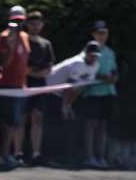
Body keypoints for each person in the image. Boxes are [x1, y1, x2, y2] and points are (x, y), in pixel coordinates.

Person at [80, 20, 119, 168]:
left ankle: (101, 157)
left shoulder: (110, 52)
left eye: (104, 33)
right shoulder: (87, 50)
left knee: (103, 125)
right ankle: (89, 157)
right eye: (99, 33)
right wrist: (102, 78)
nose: (102, 36)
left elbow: (114, 70)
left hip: (108, 92)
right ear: (93, 35)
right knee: (91, 125)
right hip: (92, 92)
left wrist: (113, 78)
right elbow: (84, 73)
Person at [0, 7, 30, 171]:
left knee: (17, 121)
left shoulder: (25, 36)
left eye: (20, 21)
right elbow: (5, 63)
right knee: (8, 121)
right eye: (14, 21)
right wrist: (10, 45)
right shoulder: (4, 37)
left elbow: (24, 61)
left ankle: (14, 153)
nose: (18, 24)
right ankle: (4, 155)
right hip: (8, 85)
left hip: (20, 85)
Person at [23, 10, 56, 165]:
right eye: (32, 23)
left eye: (38, 23)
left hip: (40, 84)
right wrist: (30, 72)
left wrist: (41, 73)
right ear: (27, 25)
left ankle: (36, 153)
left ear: (42, 25)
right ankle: (18, 151)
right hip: (23, 82)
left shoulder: (46, 43)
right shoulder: (22, 41)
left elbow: (50, 66)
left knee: (37, 117)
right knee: (22, 117)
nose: (35, 26)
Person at [48, 42, 102, 124]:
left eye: (96, 56)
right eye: (91, 55)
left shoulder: (96, 65)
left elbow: (81, 87)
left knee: (63, 121)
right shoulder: (78, 63)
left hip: (60, 93)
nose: (93, 58)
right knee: (52, 121)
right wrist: (64, 106)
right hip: (48, 88)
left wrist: (68, 104)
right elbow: (69, 86)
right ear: (86, 54)